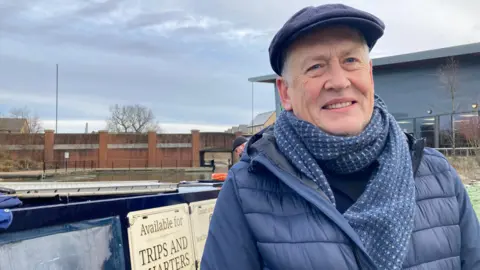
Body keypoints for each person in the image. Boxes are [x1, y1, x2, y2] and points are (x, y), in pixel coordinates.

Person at [201, 4, 480, 270]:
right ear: (285, 92)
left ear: (369, 74)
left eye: (350, 60)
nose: (338, 81)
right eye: (315, 67)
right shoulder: (245, 191)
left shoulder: (438, 175)